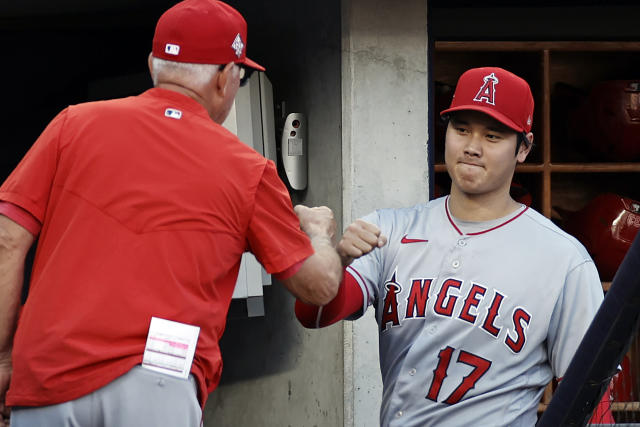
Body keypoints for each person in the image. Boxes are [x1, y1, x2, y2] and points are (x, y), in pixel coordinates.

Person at [0, 1, 343, 426]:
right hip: (157, 379)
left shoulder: (73, 124)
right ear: (223, 79)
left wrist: (3, 359)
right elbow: (318, 286)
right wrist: (317, 233)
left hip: (48, 377)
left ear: (152, 64)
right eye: (241, 75)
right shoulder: (247, 169)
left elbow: (7, 239)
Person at [295, 67, 614, 426]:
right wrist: (333, 256)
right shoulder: (389, 229)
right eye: (461, 129)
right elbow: (312, 315)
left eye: (493, 136)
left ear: (523, 148)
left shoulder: (563, 260)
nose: (472, 147)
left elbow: (592, 402)